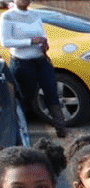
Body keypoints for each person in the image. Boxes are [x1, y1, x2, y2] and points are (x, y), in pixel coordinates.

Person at [0, 0, 66, 137]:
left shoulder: (35, 14)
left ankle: (61, 127)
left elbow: (42, 34)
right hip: (22, 63)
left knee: (51, 91)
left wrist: (44, 43)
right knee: (25, 97)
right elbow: (6, 42)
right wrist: (30, 41)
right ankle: (19, 131)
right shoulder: (8, 16)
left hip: (41, 60)